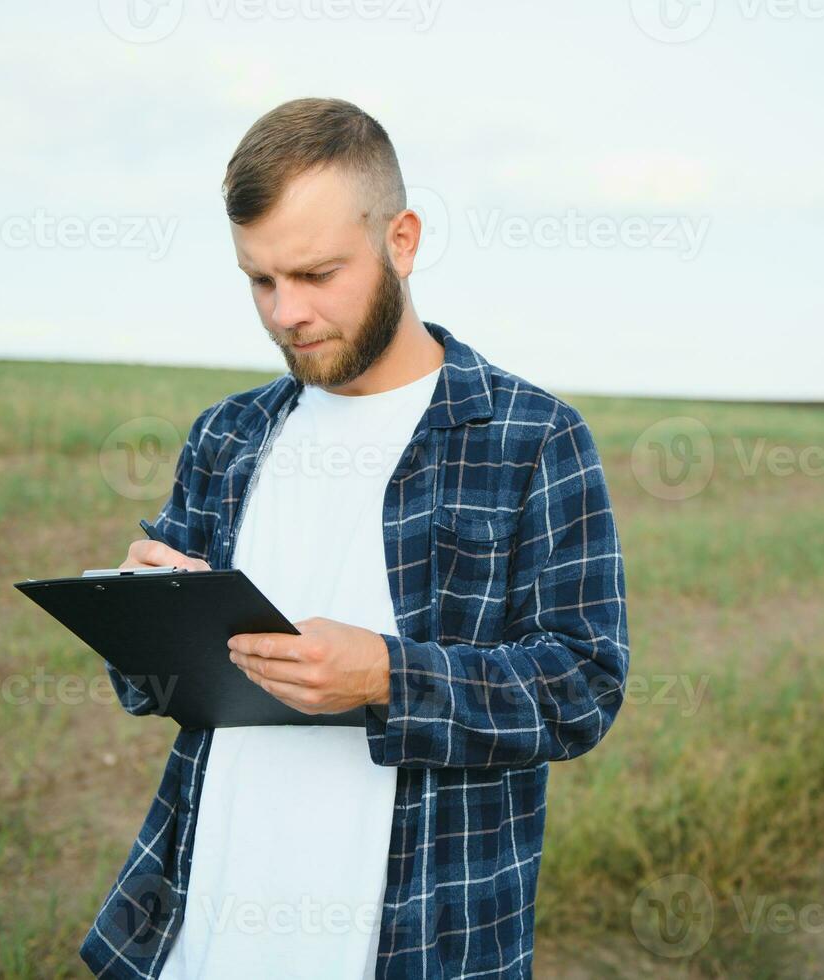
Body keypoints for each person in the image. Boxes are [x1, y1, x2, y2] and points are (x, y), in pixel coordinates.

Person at [79, 97, 630, 979]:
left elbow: (581, 686)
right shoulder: (225, 436)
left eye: (315, 273)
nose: (285, 313)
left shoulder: (531, 437)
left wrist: (384, 674)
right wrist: (146, 613)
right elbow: (152, 689)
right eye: (260, 281)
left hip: (417, 937)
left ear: (401, 241)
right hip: (208, 931)